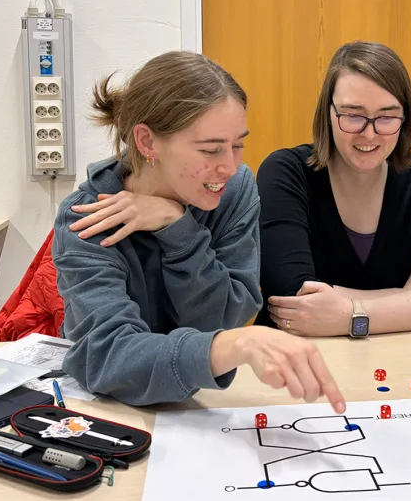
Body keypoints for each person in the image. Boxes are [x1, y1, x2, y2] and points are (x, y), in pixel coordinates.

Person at [52, 51, 345, 412]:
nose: (229, 166)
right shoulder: (86, 216)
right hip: (113, 413)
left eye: (238, 145)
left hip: (205, 404)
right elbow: (109, 357)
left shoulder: (235, 189)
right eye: (210, 150)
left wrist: (177, 227)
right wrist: (234, 346)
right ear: (146, 142)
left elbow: (224, 319)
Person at [257, 41, 411, 337]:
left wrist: (347, 314)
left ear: (405, 118)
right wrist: (410, 292)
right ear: (328, 112)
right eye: (353, 115)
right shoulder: (285, 171)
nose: (370, 133)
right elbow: (295, 300)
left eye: (387, 116)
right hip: (296, 363)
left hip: (396, 362)